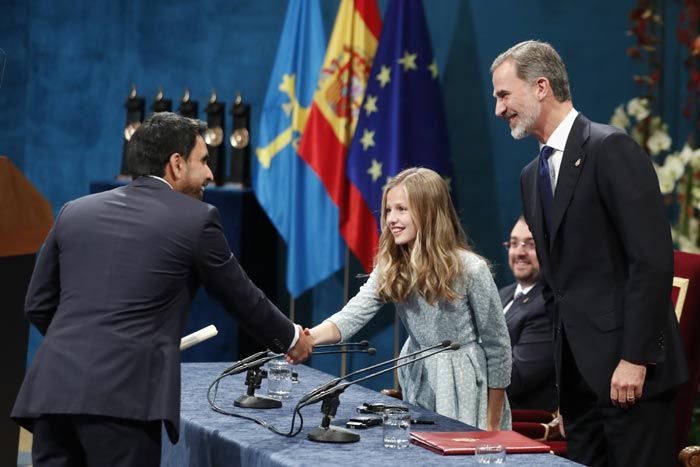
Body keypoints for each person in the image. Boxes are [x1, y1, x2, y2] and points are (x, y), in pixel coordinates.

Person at [11, 112, 314, 467]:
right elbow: (243, 297)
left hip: (52, 392)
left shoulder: (74, 211)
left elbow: (37, 304)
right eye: (203, 161)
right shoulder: (196, 220)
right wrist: (292, 338)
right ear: (176, 164)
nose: (210, 174)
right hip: (122, 402)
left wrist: (80, 347)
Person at [491, 40, 687, 466]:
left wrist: (635, 358)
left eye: (504, 95)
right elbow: (555, 282)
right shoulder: (531, 175)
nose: (499, 109)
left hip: (630, 375)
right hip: (577, 383)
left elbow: (650, 261)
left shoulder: (609, 148)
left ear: (541, 86)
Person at [309, 167, 512, 431]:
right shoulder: (392, 266)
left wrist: (493, 422)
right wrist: (307, 338)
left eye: (402, 209)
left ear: (428, 212)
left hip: (464, 387)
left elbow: (499, 347)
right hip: (418, 377)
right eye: (389, 210)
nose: (391, 219)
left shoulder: (471, 269)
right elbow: (353, 313)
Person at [499, 216, 555, 411]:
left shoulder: (548, 305)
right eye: (514, 244)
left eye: (531, 245)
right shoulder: (503, 294)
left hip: (521, 421)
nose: (519, 252)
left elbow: (516, 378)